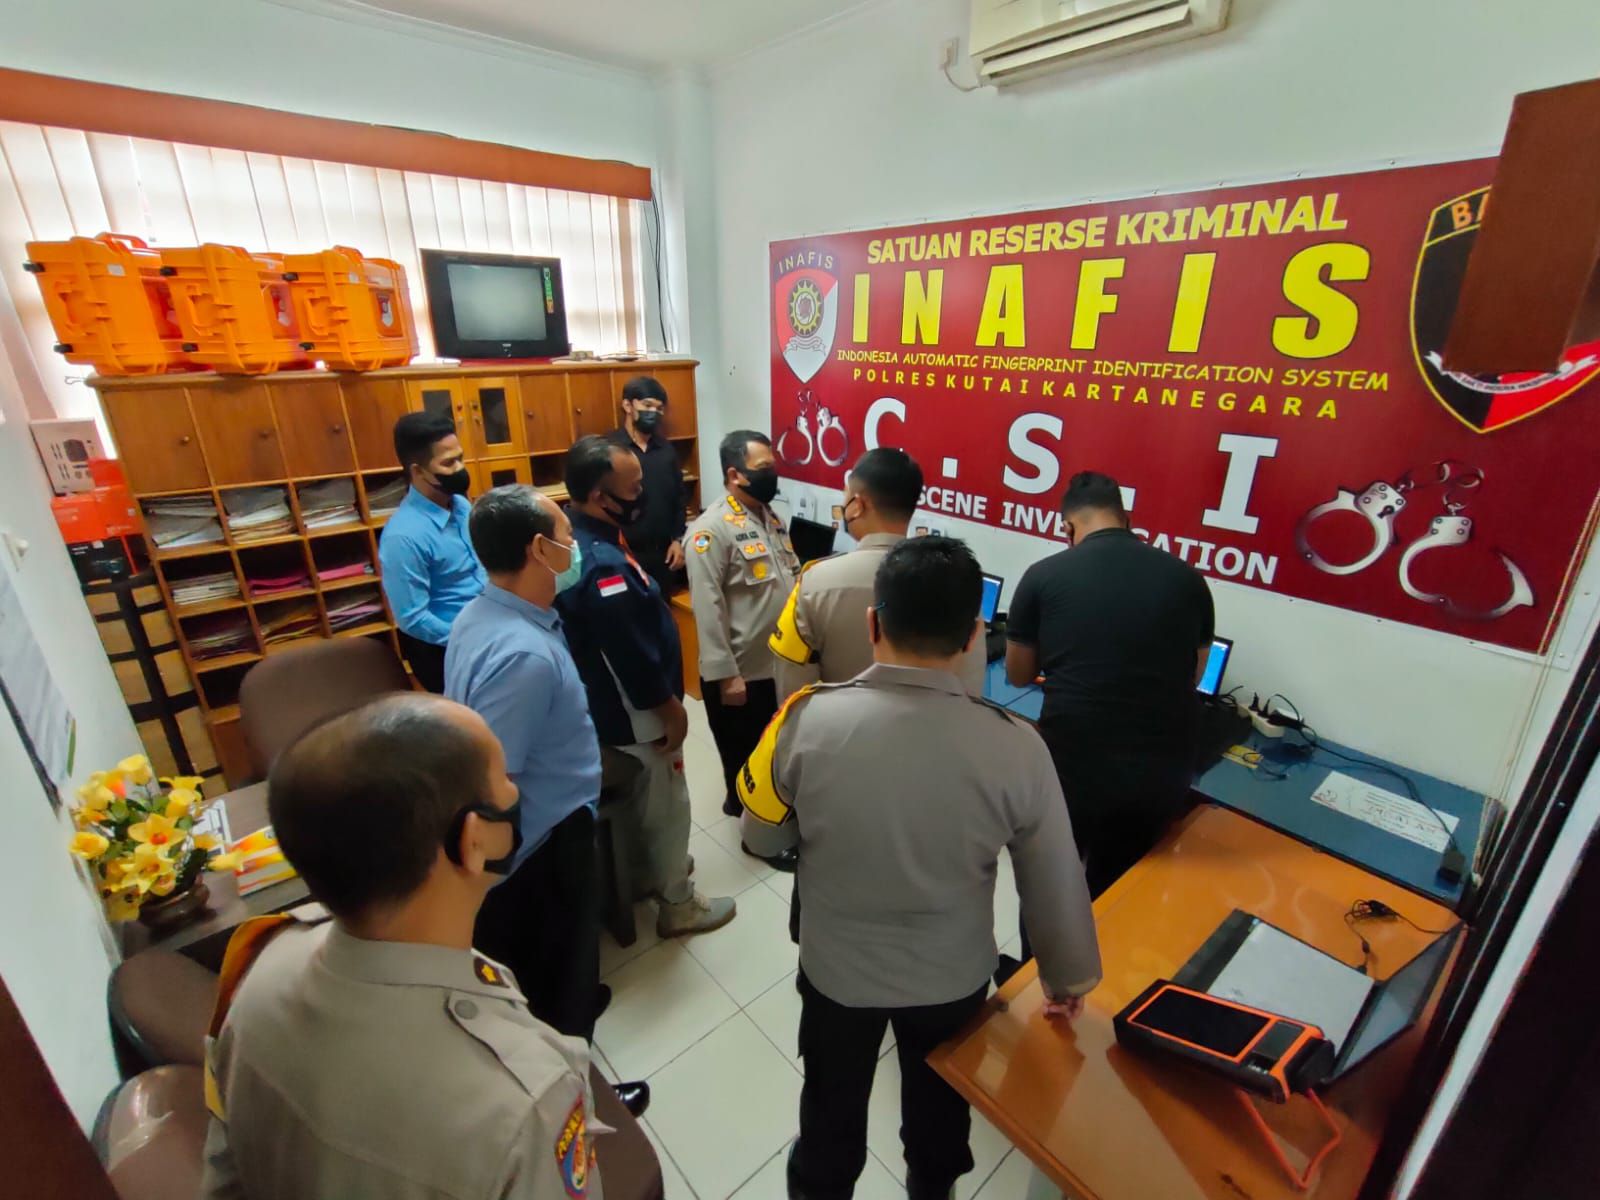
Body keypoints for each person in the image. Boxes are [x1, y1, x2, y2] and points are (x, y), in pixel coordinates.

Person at [738, 536, 1101, 1200]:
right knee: (938, 1122)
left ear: (872, 624)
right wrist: (1067, 975)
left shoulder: (804, 721)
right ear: (974, 636)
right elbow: (1053, 876)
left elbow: (760, 836)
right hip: (952, 979)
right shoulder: (1018, 748)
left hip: (837, 974)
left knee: (830, 1115)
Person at [199, 693, 611, 1200]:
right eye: (504, 778)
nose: (516, 790)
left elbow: (223, 1173)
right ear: (474, 840)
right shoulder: (523, 1109)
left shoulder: (257, 965)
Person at [445, 485, 608, 1042]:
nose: (575, 547)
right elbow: (496, 781)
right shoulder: (523, 656)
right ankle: (572, 1069)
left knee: (567, 972)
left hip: (545, 831)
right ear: (540, 549)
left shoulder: (481, 613)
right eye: (567, 536)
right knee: (560, 986)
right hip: (543, 848)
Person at [556, 435, 736, 937]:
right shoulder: (603, 568)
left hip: (610, 708)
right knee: (667, 803)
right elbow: (629, 655)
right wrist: (670, 710)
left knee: (647, 799)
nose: (644, 495)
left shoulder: (581, 537)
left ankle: (651, 871)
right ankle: (678, 903)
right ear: (600, 497)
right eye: (634, 488)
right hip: (636, 714)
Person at [1005, 470, 1215, 899]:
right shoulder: (1188, 579)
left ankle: (1041, 944)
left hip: (1075, 763)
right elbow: (1193, 676)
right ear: (1126, 518)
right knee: (1117, 886)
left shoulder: (1043, 576)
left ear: (1067, 527)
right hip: (1162, 771)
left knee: (1050, 881)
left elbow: (1018, 674)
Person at [770, 447, 985, 701]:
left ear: (857, 505)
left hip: (839, 723)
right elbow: (970, 687)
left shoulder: (815, 582)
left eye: (845, 496)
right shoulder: (956, 585)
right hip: (933, 724)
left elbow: (792, 691)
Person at [683, 430, 800, 835]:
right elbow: (707, 608)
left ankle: (763, 815)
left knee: (769, 753)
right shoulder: (711, 530)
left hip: (775, 664)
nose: (773, 474)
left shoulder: (769, 517)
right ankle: (753, 832)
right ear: (735, 474)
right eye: (763, 467)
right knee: (744, 758)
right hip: (741, 673)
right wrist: (726, 676)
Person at [378, 412, 487, 692]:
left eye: (460, 458)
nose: (460, 469)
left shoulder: (461, 506)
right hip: (447, 649)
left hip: (486, 627)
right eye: (449, 463)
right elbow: (412, 618)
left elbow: (479, 568)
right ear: (418, 471)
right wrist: (470, 640)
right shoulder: (403, 537)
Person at [607, 375, 689, 596]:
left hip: (663, 554)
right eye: (647, 405)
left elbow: (679, 499)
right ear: (628, 405)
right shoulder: (610, 450)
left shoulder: (666, 451)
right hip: (623, 553)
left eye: (659, 408)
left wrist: (678, 540)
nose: (653, 412)